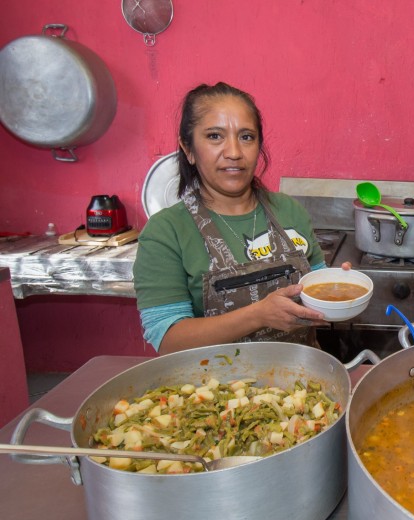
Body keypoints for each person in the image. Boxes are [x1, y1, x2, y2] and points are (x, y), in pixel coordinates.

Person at [134, 82, 337, 354]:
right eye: (215, 136)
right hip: (214, 389)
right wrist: (258, 315)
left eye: (246, 137)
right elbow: (168, 340)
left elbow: (317, 290)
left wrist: (337, 287)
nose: (234, 152)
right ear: (189, 149)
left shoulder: (289, 211)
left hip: (302, 385)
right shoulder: (166, 231)